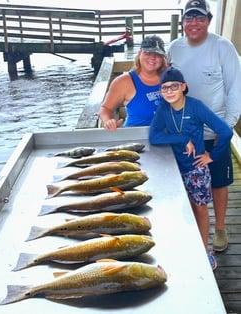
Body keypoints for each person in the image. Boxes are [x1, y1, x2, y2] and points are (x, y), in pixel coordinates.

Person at [167, 0, 241, 252]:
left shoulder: (223, 47)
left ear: (208, 20)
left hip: (214, 132)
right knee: (187, 181)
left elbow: (235, 89)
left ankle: (220, 227)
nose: (194, 23)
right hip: (183, 134)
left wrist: (227, 126)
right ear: (183, 21)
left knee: (218, 183)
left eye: (199, 18)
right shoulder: (173, 48)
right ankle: (192, 226)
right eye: (189, 18)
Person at [149, 66, 233, 270]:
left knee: (200, 208)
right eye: (165, 88)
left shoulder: (196, 106)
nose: (169, 91)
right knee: (181, 210)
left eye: (174, 87)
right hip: (175, 168)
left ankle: (205, 251)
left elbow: (225, 131)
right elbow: (154, 136)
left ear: (183, 87)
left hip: (196, 169)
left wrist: (211, 156)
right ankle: (187, 245)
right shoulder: (163, 109)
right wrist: (182, 138)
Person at [99, 35, 168, 131]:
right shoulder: (123, 81)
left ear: (163, 58)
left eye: (158, 54)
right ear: (140, 54)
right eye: (148, 53)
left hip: (167, 136)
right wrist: (108, 121)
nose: (153, 57)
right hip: (136, 137)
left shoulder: (170, 78)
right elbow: (106, 108)